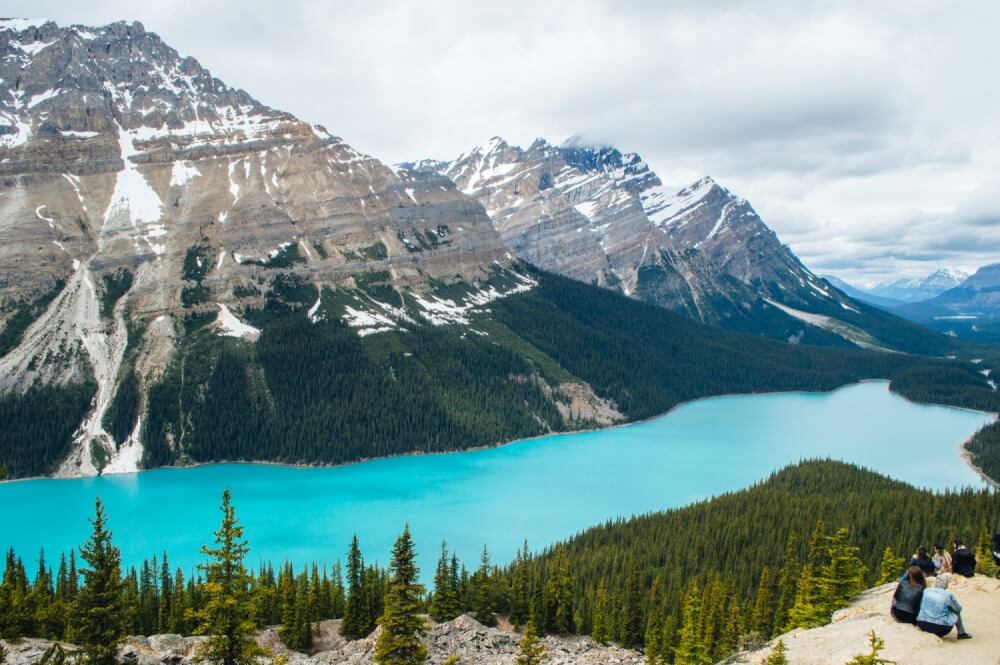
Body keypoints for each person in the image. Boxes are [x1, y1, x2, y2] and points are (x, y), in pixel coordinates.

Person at [916, 574, 971, 639]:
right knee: (954, 611)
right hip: (940, 628)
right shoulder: (948, 594)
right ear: (946, 584)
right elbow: (958, 609)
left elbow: (921, 605)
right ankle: (961, 633)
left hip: (922, 624)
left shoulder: (926, 590)